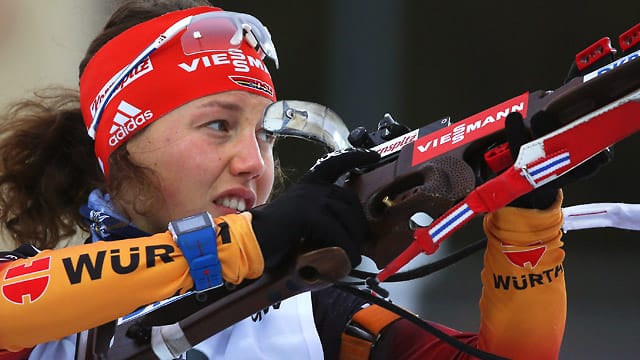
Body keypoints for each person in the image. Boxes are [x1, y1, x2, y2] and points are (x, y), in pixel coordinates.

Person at [0, 1, 568, 359]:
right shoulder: (46, 319)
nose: (254, 161)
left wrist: (527, 221)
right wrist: (245, 245)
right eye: (219, 125)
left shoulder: (312, 313)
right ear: (120, 149)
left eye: (266, 134)